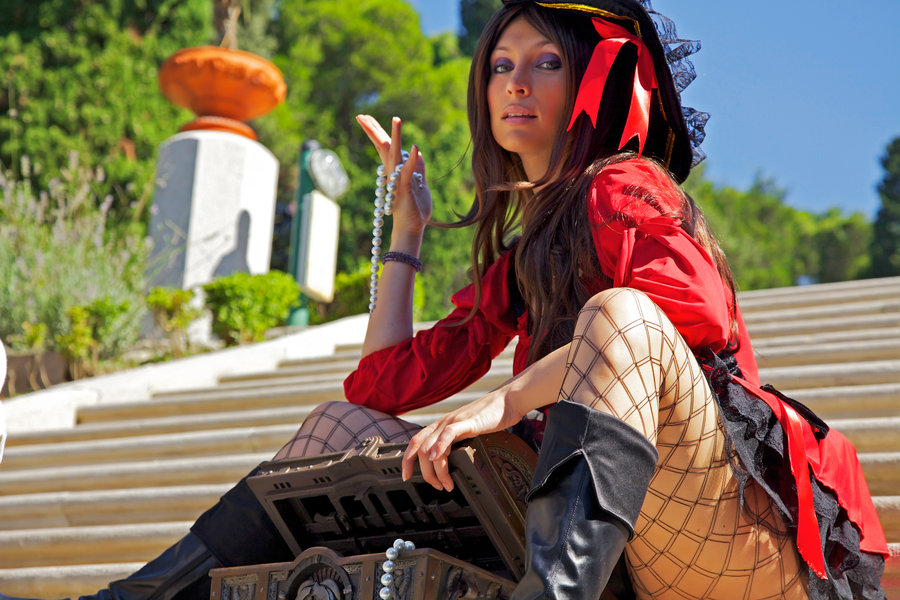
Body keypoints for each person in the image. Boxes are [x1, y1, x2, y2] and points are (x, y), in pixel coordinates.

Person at [1, 1, 887, 599]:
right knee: (336, 428)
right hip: (600, 530)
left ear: (589, 80)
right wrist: (407, 234)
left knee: (618, 315)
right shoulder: (527, 248)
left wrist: (505, 400)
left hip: (721, 525)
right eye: (500, 64)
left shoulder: (621, 185)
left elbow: (691, 315)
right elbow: (381, 384)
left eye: (546, 62)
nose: (516, 82)